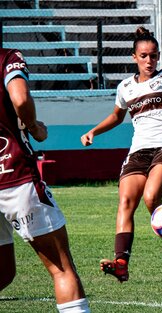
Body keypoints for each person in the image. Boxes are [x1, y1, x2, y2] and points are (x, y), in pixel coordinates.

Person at [80, 26, 162, 282]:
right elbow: (116, 116)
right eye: (144, 56)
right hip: (138, 151)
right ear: (134, 57)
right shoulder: (125, 87)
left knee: (150, 197)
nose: (149, 61)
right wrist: (94, 131)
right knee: (125, 203)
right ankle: (121, 263)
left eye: (154, 55)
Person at [0, 48, 90, 312]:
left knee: (3, 271)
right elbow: (20, 97)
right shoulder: (7, 57)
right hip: (14, 177)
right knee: (61, 268)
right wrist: (35, 127)